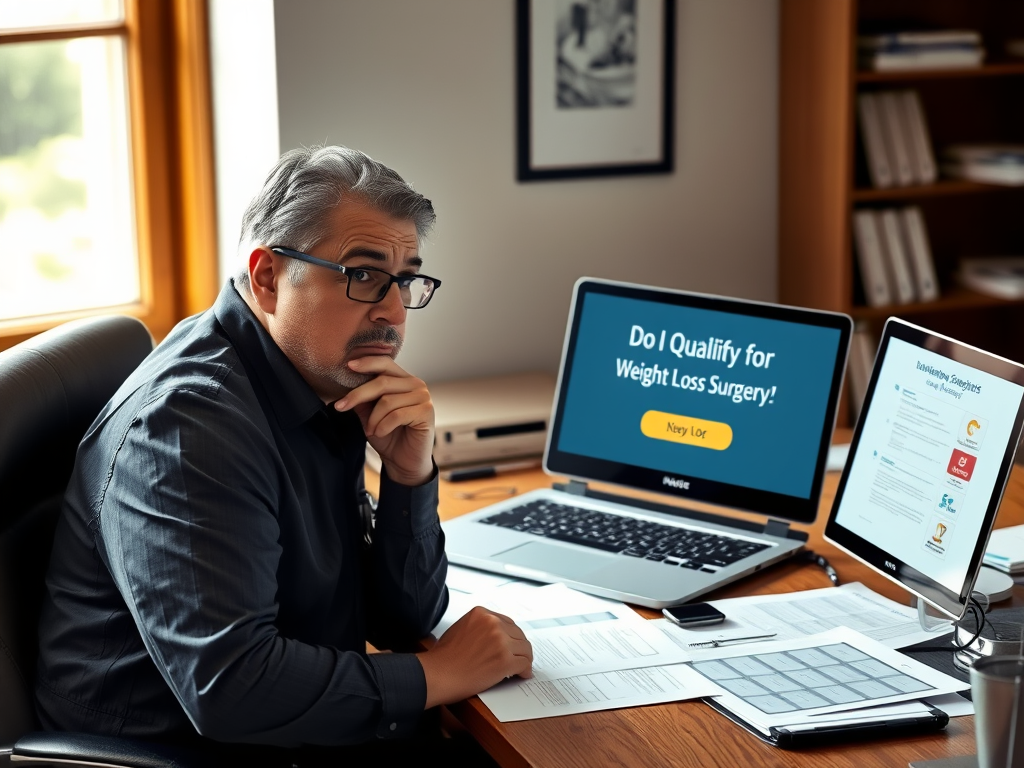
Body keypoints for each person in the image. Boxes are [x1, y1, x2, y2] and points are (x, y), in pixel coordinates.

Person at [35, 145, 533, 761]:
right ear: (268, 277)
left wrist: (409, 474)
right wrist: (442, 673)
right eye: (363, 275)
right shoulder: (191, 425)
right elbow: (231, 688)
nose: (394, 311)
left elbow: (402, 620)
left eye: (406, 280)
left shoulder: (321, 380)